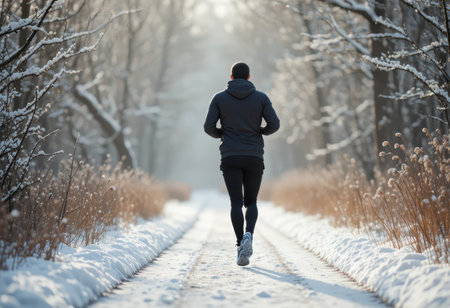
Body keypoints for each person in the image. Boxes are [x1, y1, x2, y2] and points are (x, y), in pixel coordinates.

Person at [203, 62, 280, 266]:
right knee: (251, 201)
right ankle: (249, 235)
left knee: (236, 202)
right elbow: (275, 124)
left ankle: (240, 245)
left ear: (231, 77)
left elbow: (208, 127)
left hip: (230, 155)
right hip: (254, 155)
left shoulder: (219, 98)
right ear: (248, 77)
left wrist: (224, 134)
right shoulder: (261, 98)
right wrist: (258, 132)